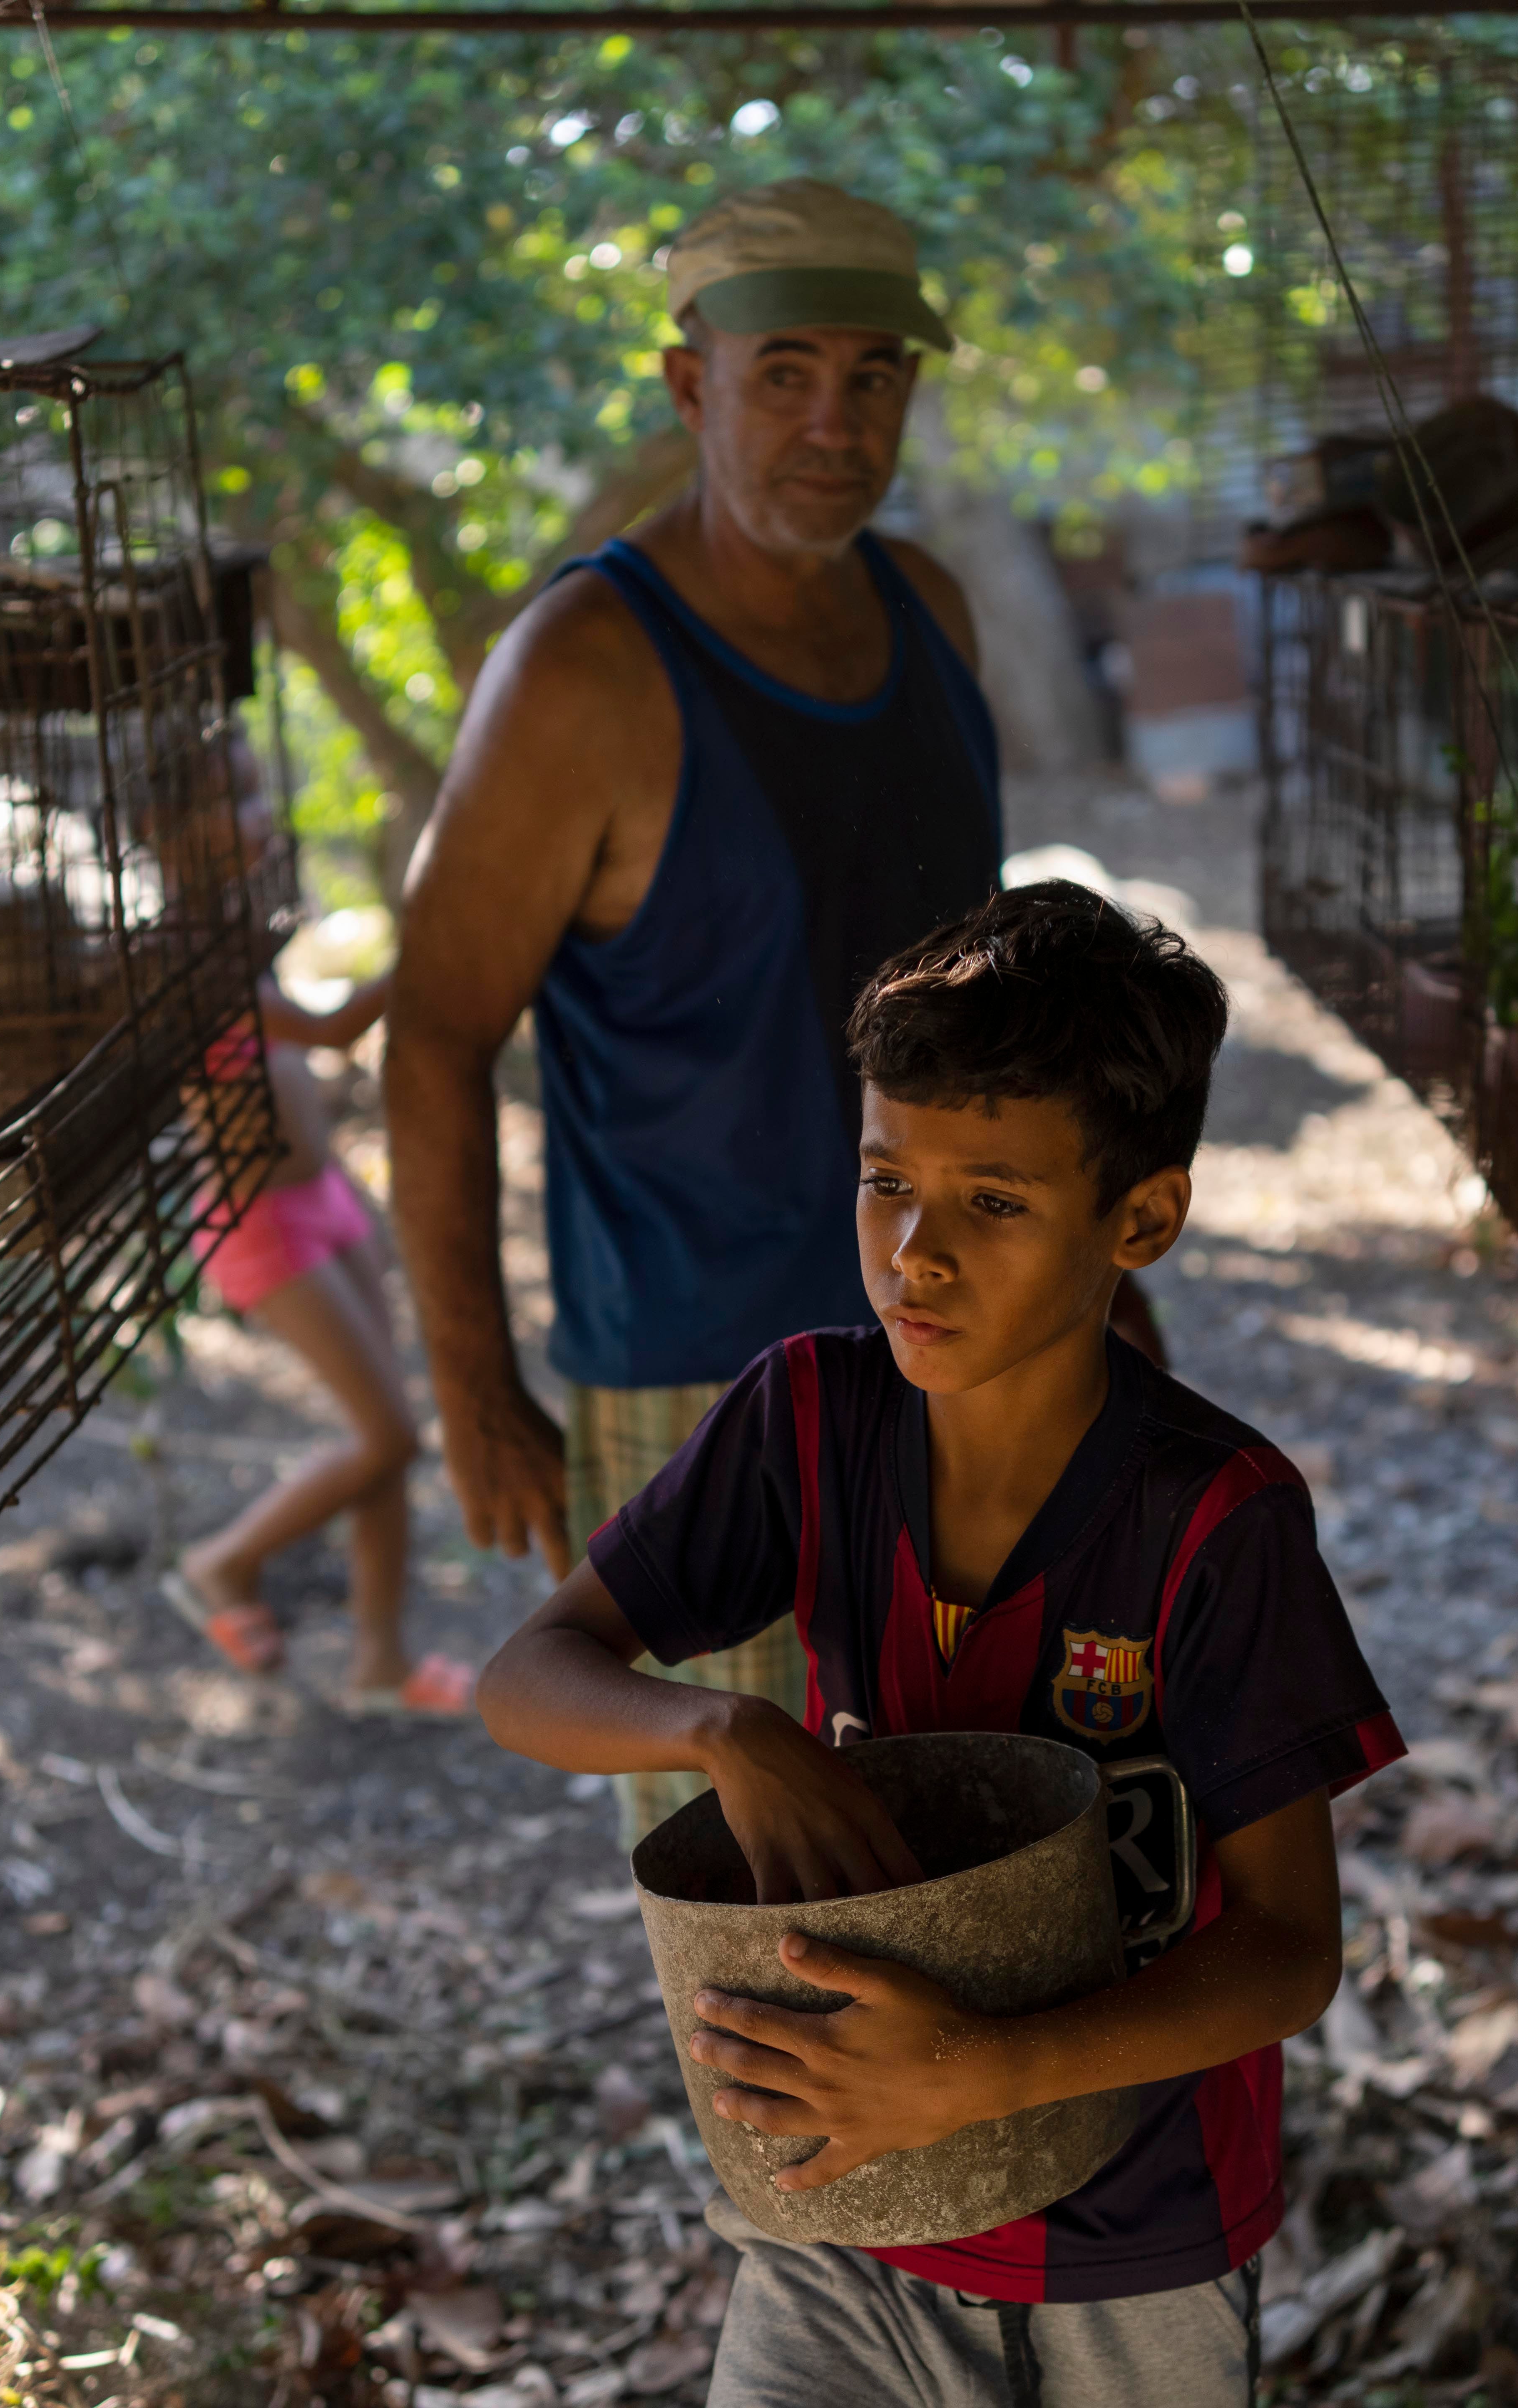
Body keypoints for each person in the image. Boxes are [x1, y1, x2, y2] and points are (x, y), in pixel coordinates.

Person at [478, 885, 1401, 2408]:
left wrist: (982, 2073)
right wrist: (728, 1734)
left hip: (1123, 2239)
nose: (916, 1253)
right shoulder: (809, 1419)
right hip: (839, 2208)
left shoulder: (1216, 1521)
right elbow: (530, 1675)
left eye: (996, 1201)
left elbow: (1293, 1951)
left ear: (1142, 1220)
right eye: (885, 1180)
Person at [385, 177, 1007, 1837]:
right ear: (690, 388)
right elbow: (435, 1032)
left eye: (873, 374)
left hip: (970, 1353)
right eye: (783, 370)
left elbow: (992, 1019)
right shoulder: (587, 666)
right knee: (775, 1921)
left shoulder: (929, 614)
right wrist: (476, 1388)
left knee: (988, 1845)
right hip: (705, 1399)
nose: (833, 419)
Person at [159, 737, 472, 1716]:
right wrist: (446, 936)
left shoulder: (238, 922)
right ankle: (221, 1562)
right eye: (237, 799)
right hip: (261, 1225)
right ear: (171, 831)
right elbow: (331, 1031)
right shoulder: (182, 951)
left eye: (259, 790)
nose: (263, 815)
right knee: (388, 1437)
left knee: (384, 1435)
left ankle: (382, 1661)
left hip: (323, 1199)